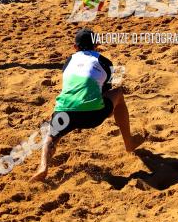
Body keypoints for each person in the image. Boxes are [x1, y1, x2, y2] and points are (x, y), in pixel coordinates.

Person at [35, 28, 143, 180]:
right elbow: (105, 92)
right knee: (118, 93)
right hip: (93, 115)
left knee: (51, 136)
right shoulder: (105, 62)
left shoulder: (68, 61)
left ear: (75, 47)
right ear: (97, 45)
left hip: (65, 110)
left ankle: (43, 166)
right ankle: (129, 144)